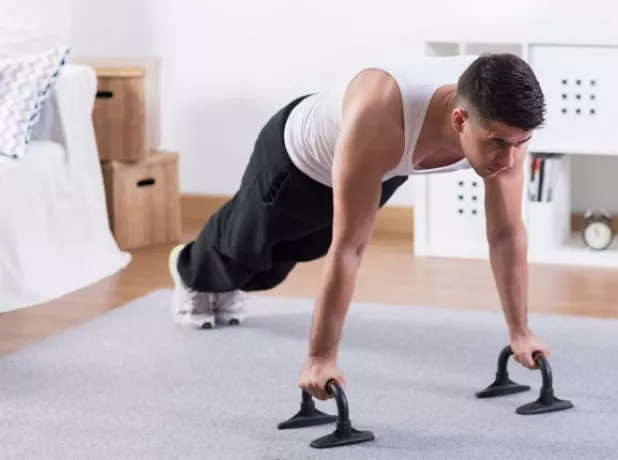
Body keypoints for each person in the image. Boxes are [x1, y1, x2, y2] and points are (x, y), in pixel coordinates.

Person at [167, 52, 551, 401]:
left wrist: (520, 331)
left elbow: (506, 233)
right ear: (459, 120)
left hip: (378, 167)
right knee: (245, 251)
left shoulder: (502, 120)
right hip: (295, 163)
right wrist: (320, 358)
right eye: (499, 143)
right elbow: (350, 249)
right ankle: (190, 269)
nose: (511, 157)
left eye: (522, 143)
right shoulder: (381, 116)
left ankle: (229, 280)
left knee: (298, 253)